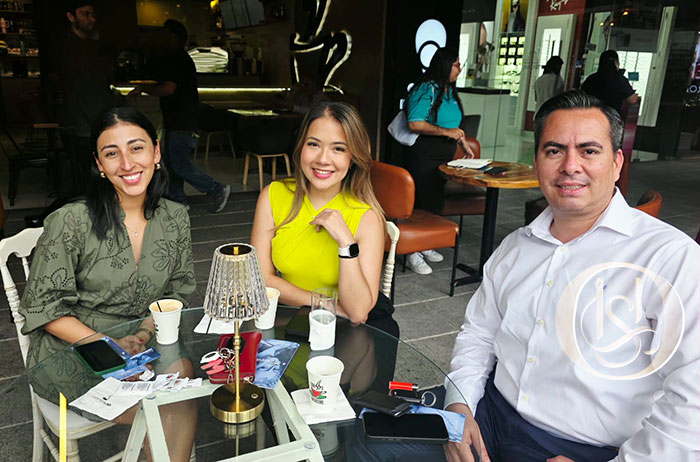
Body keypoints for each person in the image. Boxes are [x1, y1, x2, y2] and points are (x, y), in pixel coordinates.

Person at [444, 90, 700, 462]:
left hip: (587, 450)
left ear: (617, 163)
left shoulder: (670, 259)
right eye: (554, 151)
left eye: (589, 150)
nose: (570, 166)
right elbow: (479, 333)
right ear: (537, 163)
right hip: (488, 418)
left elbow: (693, 395)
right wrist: (458, 405)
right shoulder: (516, 247)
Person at [19, 107, 197, 461]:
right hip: (77, 349)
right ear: (99, 164)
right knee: (165, 408)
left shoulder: (175, 217)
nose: (127, 163)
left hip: (143, 343)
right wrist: (109, 346)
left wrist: (142, 335)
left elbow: (176, 292)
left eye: (136, 148)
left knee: (181, 381)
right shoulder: (71, 221)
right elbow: (44, 307)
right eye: (112, 153)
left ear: (156, 152)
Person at [250, 101, 398, 336]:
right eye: (313, 144)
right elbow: (260, 280)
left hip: (347, 328)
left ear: (353, 157)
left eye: (338, 148)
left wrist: (346, 242)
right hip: (293, 315)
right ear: (301, 147)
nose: (323, 159)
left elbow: (358, 312)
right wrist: (324, 304)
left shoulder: (367, 217)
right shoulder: (273, 196)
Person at [25, 0, 120, 227]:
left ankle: (91, 220)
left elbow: (103, 81)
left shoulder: (93, 46)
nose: (91, 19)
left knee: (98, 176)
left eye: (92, 14)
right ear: (70, 17)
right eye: (86, 14)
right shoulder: (65, 48)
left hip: (98, 121)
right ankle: (65, 220)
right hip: (78, 123)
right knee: (83, 179)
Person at [130, 19, 230, 212]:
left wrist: (143, 88)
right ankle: (178, 200)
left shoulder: (178, 60)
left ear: (174, 37)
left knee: (177, 163)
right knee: (171, 162)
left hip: (184, 120)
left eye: (164, 34)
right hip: (179, 119)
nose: (161, 38)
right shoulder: (178, 58)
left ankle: (216, 189)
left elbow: (168, 89)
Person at [403, 47, 474, 275]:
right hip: (425, 153)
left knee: (434, 199)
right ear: (445, 65)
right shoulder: (427, 89)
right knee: (420, 201)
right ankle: (411, 251)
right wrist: (446, 132)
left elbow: (453, 126)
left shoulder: (449, 90)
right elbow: (415, 123)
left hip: (444, 154)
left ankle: (425, 243)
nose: (460, 69)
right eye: (456, 64)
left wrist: (463, 143)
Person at [581, 50, 640, 116]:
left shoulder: (591, 78)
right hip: (610, 117)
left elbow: (581, 97)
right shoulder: (620, 80)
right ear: (616, 63)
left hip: (590, 115)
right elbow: (632, 100)